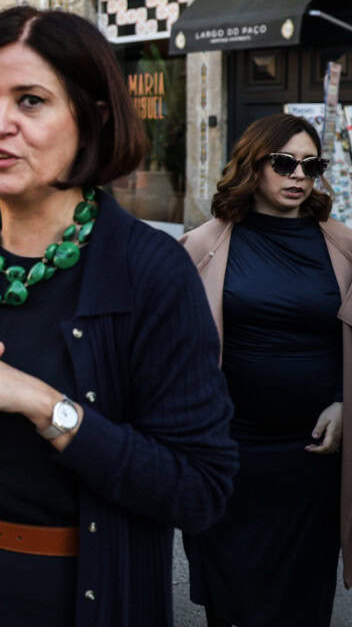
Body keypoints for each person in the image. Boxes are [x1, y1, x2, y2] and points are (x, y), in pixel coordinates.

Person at [0, 6, 237, 627]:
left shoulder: (150, 269)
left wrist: (42, 404)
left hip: (83, 598)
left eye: (31, 101)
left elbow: (201, 488)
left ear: (92, 117)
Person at [180, 113, 351, 627]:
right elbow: (172, 349)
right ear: (253, 165)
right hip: (230, 451)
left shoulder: (343, 246)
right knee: (232, 597)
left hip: (312, 456)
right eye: (283, 162)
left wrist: (346, 403)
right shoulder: (203, 245)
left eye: (311, 165)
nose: (298, 175)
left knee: (302, 600)